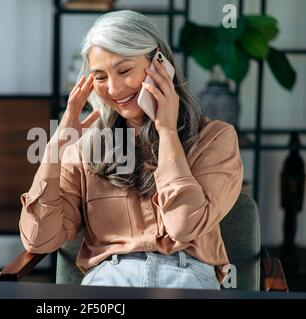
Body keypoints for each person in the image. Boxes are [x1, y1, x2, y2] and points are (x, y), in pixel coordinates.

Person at [19, 10, 243, 289]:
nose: (113, 88)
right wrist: (55, 149)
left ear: (159, 64)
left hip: (188, 276)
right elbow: (40, 239)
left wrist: (167, 131)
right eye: (100, 77)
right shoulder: (84, 148)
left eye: (124, 70)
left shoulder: (216, 138)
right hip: (110, 277)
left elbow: (184, 226)